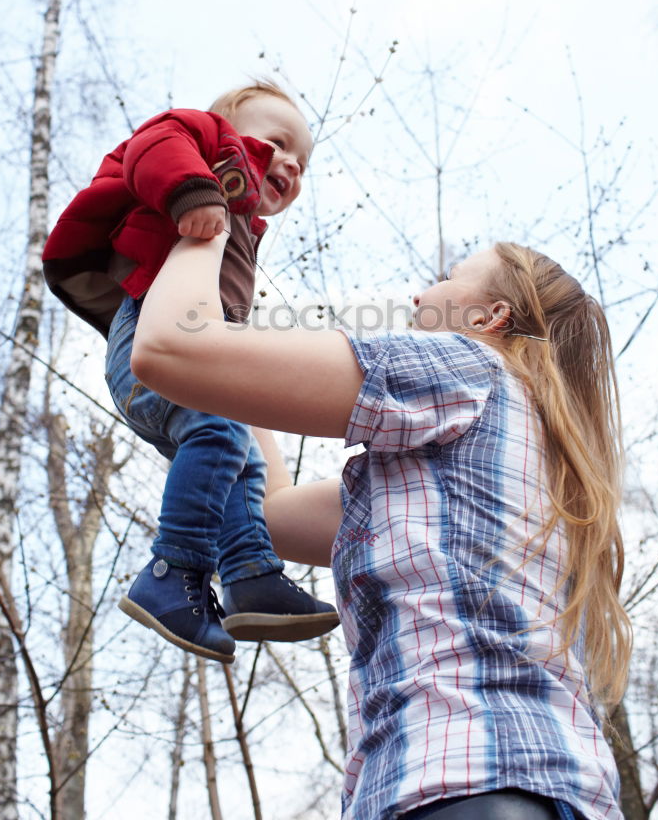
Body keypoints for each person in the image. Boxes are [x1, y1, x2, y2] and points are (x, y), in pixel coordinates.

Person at [130, 231, 632, 820]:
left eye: (448, 276)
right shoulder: (507, 457)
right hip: (528, 787)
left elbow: (166, 350)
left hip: (468, 780)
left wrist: (206, 230)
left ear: (492, 316)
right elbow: (270, 517)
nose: (422, 293)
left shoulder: (470, 366)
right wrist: (230, 357)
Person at [42, 81, 339, 664]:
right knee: (225, 434)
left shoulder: (243, 229)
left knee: (242, 458)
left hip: (191, 353)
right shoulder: (203, 142)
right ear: (226, 123)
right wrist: (191, 190)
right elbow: (155, 145)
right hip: (146, 335)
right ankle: (172, 569)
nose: (290, 164)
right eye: (277, 142)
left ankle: (250, 571)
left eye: (302, 164)